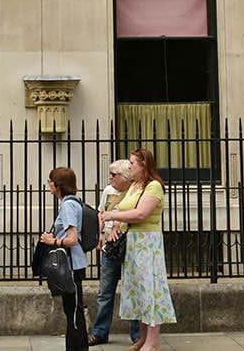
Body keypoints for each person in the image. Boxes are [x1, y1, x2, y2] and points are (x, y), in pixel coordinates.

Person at [100, 148, 175, 351]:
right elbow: (124, 209)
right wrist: (117, 227)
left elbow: (141, 214)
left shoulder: (154, 187)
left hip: (148, 244)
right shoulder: (134, 186)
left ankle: (152, 342)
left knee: (150, 289)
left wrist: (112, 217)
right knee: (138, 290)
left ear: (143, 165)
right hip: (133, 243)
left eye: (133, 163)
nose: (130, 166)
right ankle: (142, 338)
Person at [89, 159, 140, 346]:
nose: (110, 178)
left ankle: (137, 335)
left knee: (132, 290)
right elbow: (101, 213)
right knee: (105, 291)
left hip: (129, 243)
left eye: (114, 174)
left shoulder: (135, 192)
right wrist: (100, 234)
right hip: (109, 245)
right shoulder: (108, 191)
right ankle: (100, 332)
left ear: (126, 177)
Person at [40, 167, 88, 351]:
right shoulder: (71, 202)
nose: (49, 183)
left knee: (74, 312)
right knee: (73, 310)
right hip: (73, 263)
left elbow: (72, 238)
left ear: (58, 185)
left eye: (50, 180)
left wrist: (52, 240)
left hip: (71, 265)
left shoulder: (67, 205)